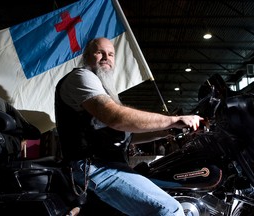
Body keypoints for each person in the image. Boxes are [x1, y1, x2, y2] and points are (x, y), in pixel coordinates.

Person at [54, 37, 203, 216]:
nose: (105, 58)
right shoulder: (82, 77)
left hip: (106, 164)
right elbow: (116, 117)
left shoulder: (103, 88)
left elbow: (126, 134)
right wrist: (173, 120)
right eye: (99, 52)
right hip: (93, 167)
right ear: (86, 57)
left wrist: (166, 131)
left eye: (111, 54)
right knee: (169, 210)